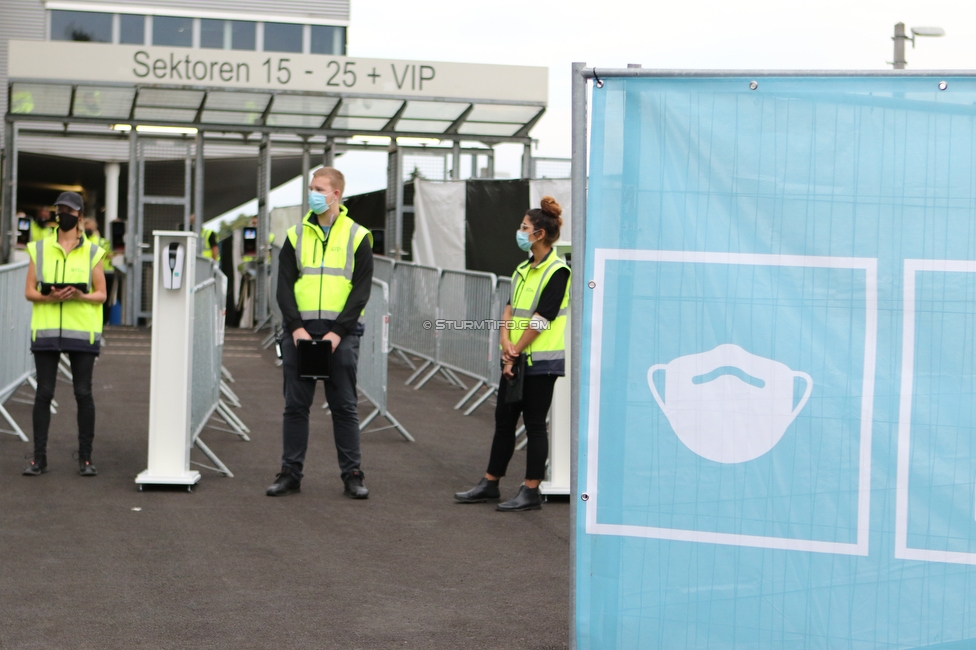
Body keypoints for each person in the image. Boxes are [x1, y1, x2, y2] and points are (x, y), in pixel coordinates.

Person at [454, 196, 571, 511]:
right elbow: (509, 309)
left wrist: (516, 350)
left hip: (541, 362)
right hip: (516, 358)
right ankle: (490, 483)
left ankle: (530, 490)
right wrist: (506, 343)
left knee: (534, 424)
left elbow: (542, 319)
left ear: (539, 234)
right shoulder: (522, 268)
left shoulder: (558, 271)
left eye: (524, 227)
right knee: (504, 421)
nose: (519, 232)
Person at [267, 167, 374, 498]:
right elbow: (283, 285)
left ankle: (352, 475)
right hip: (300, 333)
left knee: (343, 407)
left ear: (336, 195)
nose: (313, 193)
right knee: (295, 407)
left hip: (340, 336)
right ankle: (290, 473)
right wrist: (295, 327)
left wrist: (339, 332)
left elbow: (361, 290)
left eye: (319, 188)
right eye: (311, 188)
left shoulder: (358, 236)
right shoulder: (296, 234)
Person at [22, 191, 107, 477]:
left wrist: (79, 295)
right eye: (60, 209)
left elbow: (101, 295)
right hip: (46, 329)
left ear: (79, 216)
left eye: (69, 210)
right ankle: (38, 459)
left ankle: (85, 458)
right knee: (44, 393)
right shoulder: (40, 248)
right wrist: (50, 298)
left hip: (82, 330)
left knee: (83, 392)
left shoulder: (94, 251)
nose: (63, 214)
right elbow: (29, 291)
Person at [84, 217, 115, 324]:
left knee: (105, 299)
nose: (87, 228)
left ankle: (104, 321)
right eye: (86, 225)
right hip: (87, 271)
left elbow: (110, 253)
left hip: (106, 272)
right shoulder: (82, 239)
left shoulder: (101, 240)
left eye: (89, 226)